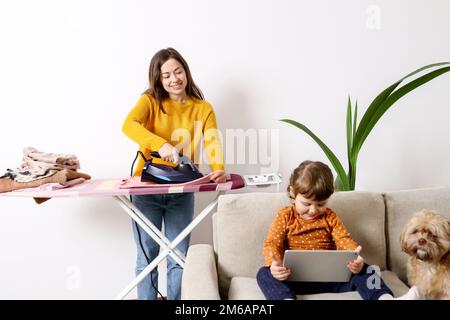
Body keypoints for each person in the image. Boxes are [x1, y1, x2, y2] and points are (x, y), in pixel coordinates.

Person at [122, 47, 226, 300]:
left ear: (186, 72)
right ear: (158, 80)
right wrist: (161, 144)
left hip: (182, 191)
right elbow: (128, 125)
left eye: (178, 71)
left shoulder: (202, 108)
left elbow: (211, 141)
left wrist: (218, 169)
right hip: (147, 190)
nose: (174, 79)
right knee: (147, 256)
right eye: (166, 75)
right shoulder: (150, 101)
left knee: (179, 256)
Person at [256, 160, 420, 300]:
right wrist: (274, 265)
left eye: (320, 204)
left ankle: (384, 298)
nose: (313, 210)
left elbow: (343, 239)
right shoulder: (285, 215)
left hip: (330, 279)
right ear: (292, 192)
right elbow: (272, 243)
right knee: (264, 274)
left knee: (366, 269)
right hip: (292, 279)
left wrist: (354, 256)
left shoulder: (330, 217)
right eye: (306, 204)